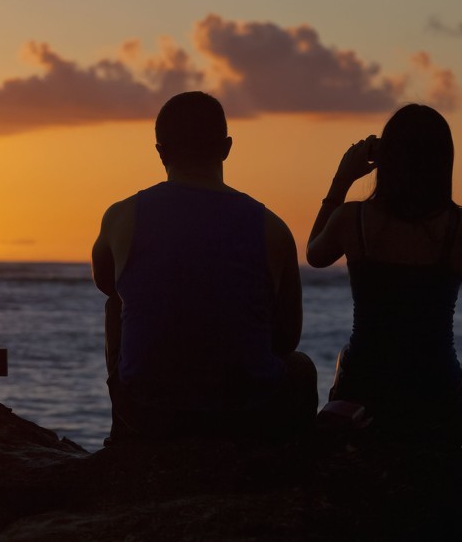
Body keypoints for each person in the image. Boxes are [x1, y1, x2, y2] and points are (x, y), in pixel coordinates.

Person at [92, 91, 317, 442]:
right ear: (227, 148)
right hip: (245, 412)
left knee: (114, 307)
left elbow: (107, 284)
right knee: (301, 367)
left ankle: (123, 438)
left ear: (160, 152)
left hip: (147, 412)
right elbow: (288, 336)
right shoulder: (272, 227)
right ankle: (288, 471)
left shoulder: (121, 216)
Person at [306, 103, 462, 449]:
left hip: (365, 404)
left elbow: (315, 254)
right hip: (440, 407)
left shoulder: (352, 219)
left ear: (385, 160)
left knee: (348, 358)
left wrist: (342, 178)